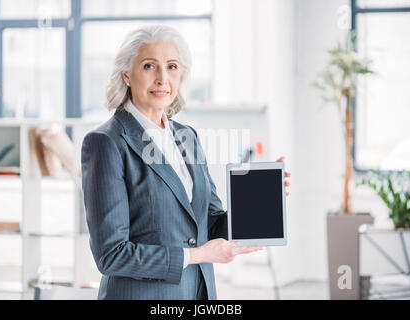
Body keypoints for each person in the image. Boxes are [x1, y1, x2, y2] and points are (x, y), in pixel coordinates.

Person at [81, 25, 290, 300]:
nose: (162, 78)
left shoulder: (186, 136)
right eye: (148, 66)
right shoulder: (106, 143)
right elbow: (112, 255)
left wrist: (260, 201)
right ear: (127, 75)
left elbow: (210, 223)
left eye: (172, 67)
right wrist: (197, 255)